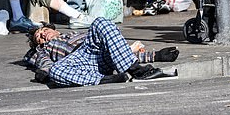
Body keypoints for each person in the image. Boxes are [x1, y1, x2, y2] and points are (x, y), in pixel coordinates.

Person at [26, 18, 179, 87]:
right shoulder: (42, 49)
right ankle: (106, 79)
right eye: (39, 36)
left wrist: (156, 55)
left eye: (45, 30)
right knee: (55, 71)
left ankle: (137, 70)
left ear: (54, 29)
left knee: (101, 22)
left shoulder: (73, 33)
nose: (44, 34)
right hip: (81, 62)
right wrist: (45, 72)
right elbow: (44, 63)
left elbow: (117, 50)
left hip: (96, 51)